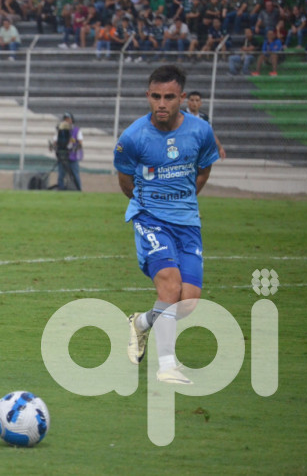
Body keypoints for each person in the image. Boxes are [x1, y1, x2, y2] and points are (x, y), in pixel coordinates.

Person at [114, 65, 219, 385]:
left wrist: (183, 201)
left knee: (186, 302)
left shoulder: (200, 131)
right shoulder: (133, 137)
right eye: (156, 97)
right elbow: (125, 181)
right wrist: (152, 207)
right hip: (150, 219)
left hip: (187, 222)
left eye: (169, 97)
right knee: (170, 286)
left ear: (182, 98)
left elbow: (203, 169)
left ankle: (141, 323)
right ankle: (167, 365)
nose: (162, 104)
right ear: (148, 96)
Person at [186, 91, 226, 159]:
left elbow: (210, 133)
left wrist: (220, 148)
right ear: (188, 102)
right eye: (192, 100)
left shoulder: (204, 117)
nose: (194, 103)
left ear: (200, 103)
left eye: (197, 100)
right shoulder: (182, 115)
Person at [49, 112, 83, 190]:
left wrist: (75, 148)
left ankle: (78, 189)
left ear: (72, 120)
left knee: (75, 174)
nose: (67, 121)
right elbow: (55, 142)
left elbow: (80, 143)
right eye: (65, 119)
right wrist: (53, 146)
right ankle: (61, 189)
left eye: (68, 119)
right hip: (62, 156)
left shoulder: (76, 130)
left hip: (72, 156)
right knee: (61, 175)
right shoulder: (60, 131)